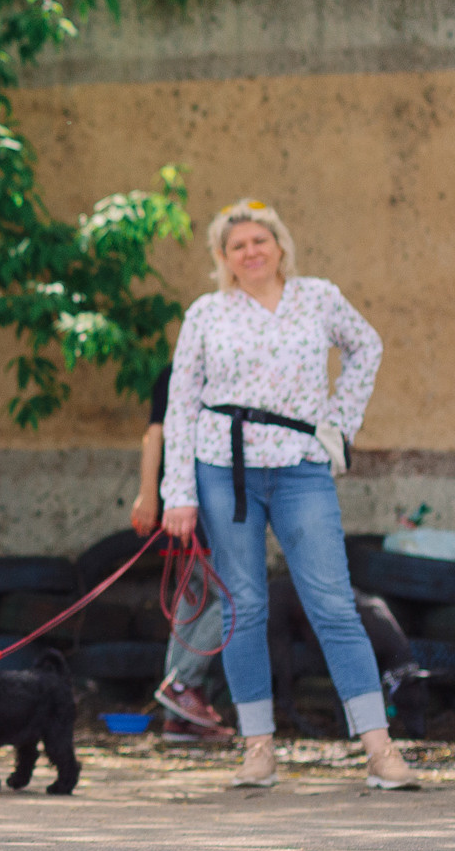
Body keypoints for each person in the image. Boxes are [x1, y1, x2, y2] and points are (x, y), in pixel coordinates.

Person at [160, 200, 416, 789]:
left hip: (302, 466)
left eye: (259, 240)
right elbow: (180, 404)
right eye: (237, 246)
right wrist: (179, 492)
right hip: (225, 469)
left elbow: (366, 348)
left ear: (279, 245)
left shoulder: (318, 297)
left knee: (333, 604)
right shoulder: (207, 313)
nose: (250, 252)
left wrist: (339, 427)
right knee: (244, 606)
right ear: (223, 259)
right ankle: (258, 749)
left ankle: (380, 751)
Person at [133, 363, 232, 741]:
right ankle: (180, 686)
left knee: (191, 602)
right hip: (198, 503)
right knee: (234, 596)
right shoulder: (185, 372)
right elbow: (154, 435)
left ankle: (179, 718)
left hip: (184, 502)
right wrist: (147, 493)